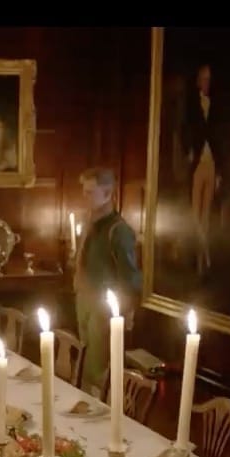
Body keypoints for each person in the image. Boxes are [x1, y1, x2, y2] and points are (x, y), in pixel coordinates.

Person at [73, 167, 141, 393]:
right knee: (84, 359)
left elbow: (130, 276)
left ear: (108, 193)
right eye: (84, 191)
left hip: (103, 307)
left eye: (90, 192)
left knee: (97, 366)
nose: (85, 197)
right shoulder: (90, 224)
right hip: (83, 299)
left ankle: (97, 405)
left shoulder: (119, 231)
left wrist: (127, 310)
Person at [180, 63, 221, 276]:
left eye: (209, 79)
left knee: (205, 215)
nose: (206, 82)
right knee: (195, 214)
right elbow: (184, 129)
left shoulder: (216, 105)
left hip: (212, 163)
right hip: (197, 163)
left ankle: (201, 260)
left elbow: (220, 137)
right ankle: (202, 255)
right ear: (198, 81)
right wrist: (188, 150)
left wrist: (220, 171)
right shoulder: (192, 104)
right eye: (203, 78)